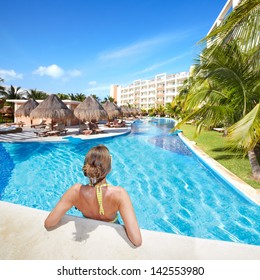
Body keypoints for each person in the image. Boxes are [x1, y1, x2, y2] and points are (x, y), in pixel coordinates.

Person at [44, 144, 142, 247]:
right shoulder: (119, 194)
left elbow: (49, 223)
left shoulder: (75, 191)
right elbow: (137, 240)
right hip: (109, 240)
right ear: (109, 168)